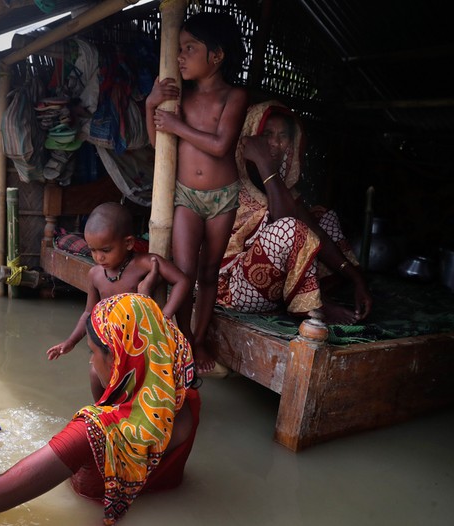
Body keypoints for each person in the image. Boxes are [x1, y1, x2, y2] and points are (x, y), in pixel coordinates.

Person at [0, 293, 200, 525]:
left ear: (120, 358)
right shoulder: (184, 395)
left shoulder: (92, 432)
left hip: (88, 505)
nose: (91, 363)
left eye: (93, 352)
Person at [145, 11, 248, 375]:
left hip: (223, 197)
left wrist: (176, 124)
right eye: (180, 48)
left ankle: (198, 339)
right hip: (186, 195)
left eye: (190, 48)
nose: (181, 56)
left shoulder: (234, 96)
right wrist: (151, 105)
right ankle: (182, 336)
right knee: (185, 272)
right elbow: (158, 144)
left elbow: (221, 146)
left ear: (216, 56)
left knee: (208, 272)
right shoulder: (179, 98)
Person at [218, 100, 373, 323]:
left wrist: (358, 280)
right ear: (250, 136)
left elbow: (315, 232)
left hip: (274, 288)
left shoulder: (283, 189)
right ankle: (313, 306)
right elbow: (286, 223)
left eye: (283, 136)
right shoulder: (231, 178)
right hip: (237, 289)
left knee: (325, 219)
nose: (274, 143)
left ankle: (307, 296)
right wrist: (263, 162)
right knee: (289, 228)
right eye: (267, 134)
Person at [46, 202, 190, 368]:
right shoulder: (95, 274)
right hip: (108, 344)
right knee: (96, 374)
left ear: (128, 243)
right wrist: (71, 342)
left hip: (141, 342)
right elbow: (88, 312)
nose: (99, 258)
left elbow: (182, 281)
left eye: (105, 251)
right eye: (93, 250)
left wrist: (165, 316)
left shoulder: (146, 263)